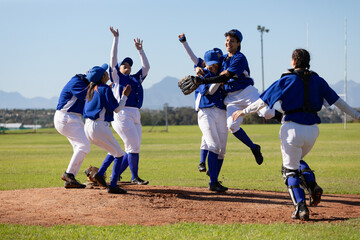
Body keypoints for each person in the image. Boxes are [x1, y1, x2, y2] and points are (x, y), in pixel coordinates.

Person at [232, 48, 360, 220]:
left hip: (292, 128)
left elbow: (262, 102)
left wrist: (243, 112)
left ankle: (301, 208)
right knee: (297, 160)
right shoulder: (318, 80)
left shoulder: (286, 79)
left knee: (289, 171)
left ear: (293, 62)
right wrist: (357, 116)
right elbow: (339, 102)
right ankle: (312, 185)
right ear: (308, 62)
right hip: (313, 130)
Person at [193, 29, 282, 165]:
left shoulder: (239, 58)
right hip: (231, 98)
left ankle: (287, 120)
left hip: (246, 93)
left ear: (238, 43)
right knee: (232, 125)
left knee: (267, 112)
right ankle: (254, 147)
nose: (229, 43)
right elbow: (204, 61)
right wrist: (197, 68)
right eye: (227, 40)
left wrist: (204, 81)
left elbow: (226, 76)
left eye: (232, 41)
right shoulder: (222, 58)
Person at [178, 33, 226, 175]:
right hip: (205, 108)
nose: (213, 66)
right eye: (210, 64)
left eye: (216, 62)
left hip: (221, 109)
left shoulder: (224, 68)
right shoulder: (202, 73)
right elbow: (193, 57)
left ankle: (212, 173)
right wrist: (184, 42)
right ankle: (204, 164)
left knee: (220, 148)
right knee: (211, 142)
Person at [109, 26, 150, 185]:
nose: (128, 67)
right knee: (132, 147)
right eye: (124, 65)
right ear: (118, 69)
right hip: (122, 113)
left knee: (133, 148)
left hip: (135, 113)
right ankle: (134, 177)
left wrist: (141, 51)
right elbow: (112, 58)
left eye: (129, 65)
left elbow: (146, 67)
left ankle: (115, 174)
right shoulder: (117, 77)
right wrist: (116, 39)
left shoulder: (135, 79)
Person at [83, 63, 131, 194]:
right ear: (103, 76)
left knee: (113, 150)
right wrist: (125, 95)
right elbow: (117, 109)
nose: (107, 74)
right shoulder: (104, 89)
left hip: (87, 127)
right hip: (99, 126)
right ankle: (113, 185)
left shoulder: (91, 89)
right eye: (105, 73)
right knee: (120, 154)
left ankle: (99, 175)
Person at [54, 69, 91, 188]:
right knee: (84, 145)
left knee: (79, 147)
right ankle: (69, 174)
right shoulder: (77, 82)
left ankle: (70, 179)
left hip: (72, 117)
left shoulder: (82, 82)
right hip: (66, 117)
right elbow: (88, 97)